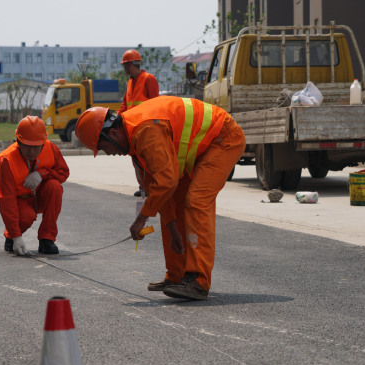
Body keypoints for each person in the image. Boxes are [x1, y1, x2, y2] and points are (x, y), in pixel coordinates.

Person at [75, 96, 246, 300]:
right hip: (200, 149)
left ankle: (198, 281)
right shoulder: (133, 139)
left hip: (223, 139)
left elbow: (166, 182)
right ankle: (178, 275)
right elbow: (160, 191)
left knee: (196, 202)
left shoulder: (145, 130)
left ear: (113, 133)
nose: (108, 153)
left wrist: (141, 219)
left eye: (103, 148)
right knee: (170, 200)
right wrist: (174, 230)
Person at [0, 116, 69, 255]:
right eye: (27, 146)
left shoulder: (51, 148)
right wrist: (16, 236)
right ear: (18, 141)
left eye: (36, 147)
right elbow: (6, 200)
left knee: (55, 186)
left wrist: (42, 173)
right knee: (27, 217)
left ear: (43, 142)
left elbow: (63, 172)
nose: (31, 151)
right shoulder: (7, 160)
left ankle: (47, 239)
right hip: (19, 201)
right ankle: (10, 238)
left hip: (40, 196)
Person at [117, 49, 159, 197]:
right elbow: (125, 104)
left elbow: (156, 104)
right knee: (136, 160)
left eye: (124, 65)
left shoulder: (148, 79)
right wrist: (117, 118)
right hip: (132, 129)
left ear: (130, 65)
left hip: (146, 129)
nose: (123, 68)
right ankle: (143, 187)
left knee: (148, 160)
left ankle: (152, 187)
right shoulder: (130, 82)